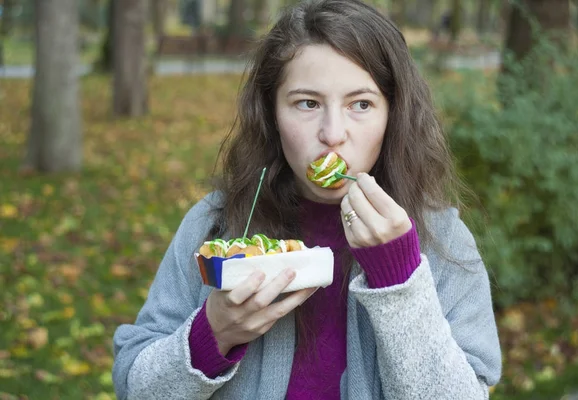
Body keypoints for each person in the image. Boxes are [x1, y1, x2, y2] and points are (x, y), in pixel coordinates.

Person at [112, 0, 502, 399]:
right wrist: (213, 335)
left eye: (361, 104)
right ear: (271, 113)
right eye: (307, 103)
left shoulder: (441, 240)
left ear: (393, 115)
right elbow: (134, 387)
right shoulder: (216, 226)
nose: (333, 133)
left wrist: (399, 279)